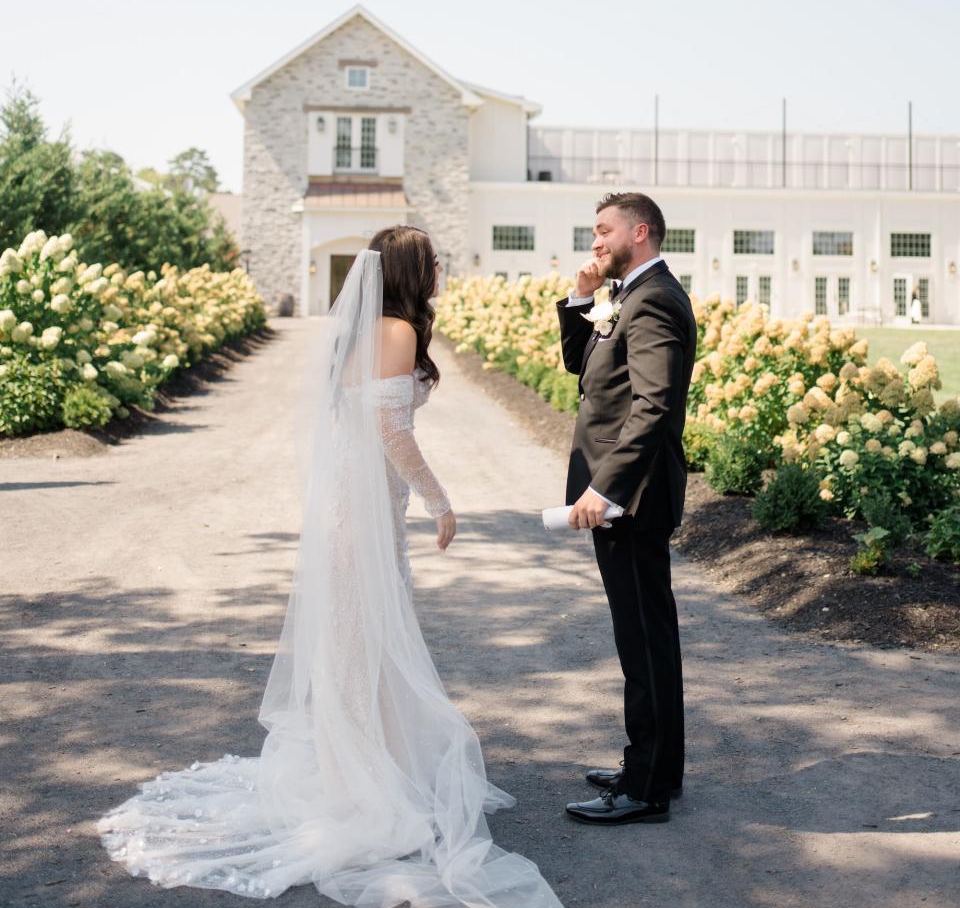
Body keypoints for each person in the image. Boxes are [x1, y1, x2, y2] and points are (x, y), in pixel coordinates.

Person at [97, 227, 563, 908]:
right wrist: (441, 500)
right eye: (434, 261)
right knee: (361, 639)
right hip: (366, 508)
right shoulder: (397, 329)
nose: (442, 268)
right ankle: (360, 783)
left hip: (361, 500)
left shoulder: (371, 327)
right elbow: (391, 430)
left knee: (360, 640)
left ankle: (363, 765)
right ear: (409, 271)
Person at [556, 192, 697, 825]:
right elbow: (583, 369)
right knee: (641, 639)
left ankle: (645, 788)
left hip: (633, 498)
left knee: (644, 642)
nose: (594, 242)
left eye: (603, 231)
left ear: (639, 232)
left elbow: (654, 405)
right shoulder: (629, 295)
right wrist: (583, 302)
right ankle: (656, 766)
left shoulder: (656, 300)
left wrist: (606, 487)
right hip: (623, 496)